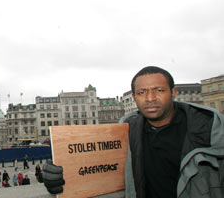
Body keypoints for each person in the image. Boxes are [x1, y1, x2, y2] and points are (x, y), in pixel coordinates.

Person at [43, 66, 224, 197]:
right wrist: (60, 180)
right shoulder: (125, 133)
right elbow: (98, 175)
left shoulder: (212, 129)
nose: (150, 98)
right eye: (142, 92)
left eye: (159, 90)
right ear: (134, 96)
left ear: (173, 92)